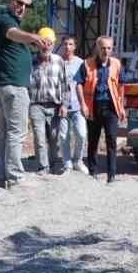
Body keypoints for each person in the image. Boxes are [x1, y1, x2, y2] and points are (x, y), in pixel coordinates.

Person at [0, 0, 52, 189]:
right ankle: (14, 177)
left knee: (6, 133)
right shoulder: (5, 20)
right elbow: (13, 34)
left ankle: (1, 177)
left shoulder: (10, 22)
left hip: (3, 86)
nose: (23, 7)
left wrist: (34, 45)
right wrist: (34, 37)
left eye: (26, 5)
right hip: (12, 87)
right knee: (16, 133)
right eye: (19, 2)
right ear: (11, 1)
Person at [76, 35, 126, 184]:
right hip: (93, 107)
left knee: (111, 141)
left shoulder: (116, 64)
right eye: (103, 48)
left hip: (111, 108)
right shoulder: (87, 64)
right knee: (93, 141)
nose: (106, 51)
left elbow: (121, 86)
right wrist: (83, 104)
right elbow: (78, 83)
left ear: (112, 49)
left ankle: (112, 175)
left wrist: (122, 106)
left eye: (109, 48)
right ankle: (92, 172)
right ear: (97, 48)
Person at [27, 28, 66, 174]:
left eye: (49, 43)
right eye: (43, 42)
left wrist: (64, 104)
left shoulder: (59, 61)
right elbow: (25, 84)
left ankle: (53, 164)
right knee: (39, 137)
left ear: (53, 44)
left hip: (55, 105)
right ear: (37, 44)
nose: (46, 46)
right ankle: (43, 167)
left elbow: (64, 84)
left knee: (54, 137)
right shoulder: (30, 61)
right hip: (35, 104)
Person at [57, 35, 87, 175]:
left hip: (77, 106)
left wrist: (84, 104)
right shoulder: (57, 62)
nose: (67, 47)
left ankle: (78, 160)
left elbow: (85, 85)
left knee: (81, 134)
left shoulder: (81, 63)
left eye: (70, 44)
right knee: (63, 137)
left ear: (75, 47)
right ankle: (67, 164)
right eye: (65, 44)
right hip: (61, 107)